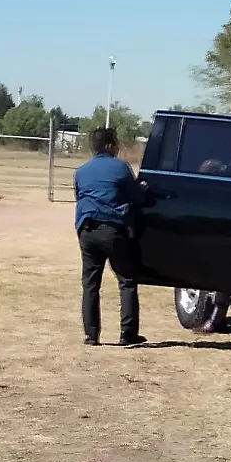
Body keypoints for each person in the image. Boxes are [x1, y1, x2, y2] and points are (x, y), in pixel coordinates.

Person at [74, 127, 147, 347]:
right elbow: (136, 198)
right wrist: (141, 189)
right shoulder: (120, 168)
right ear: (108, 145)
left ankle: (91, 334)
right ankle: (128, 333)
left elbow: (79, 197)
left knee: (90, 284)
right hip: (113, 229)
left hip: (87, 229)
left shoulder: (81, 171)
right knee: (126, 281)